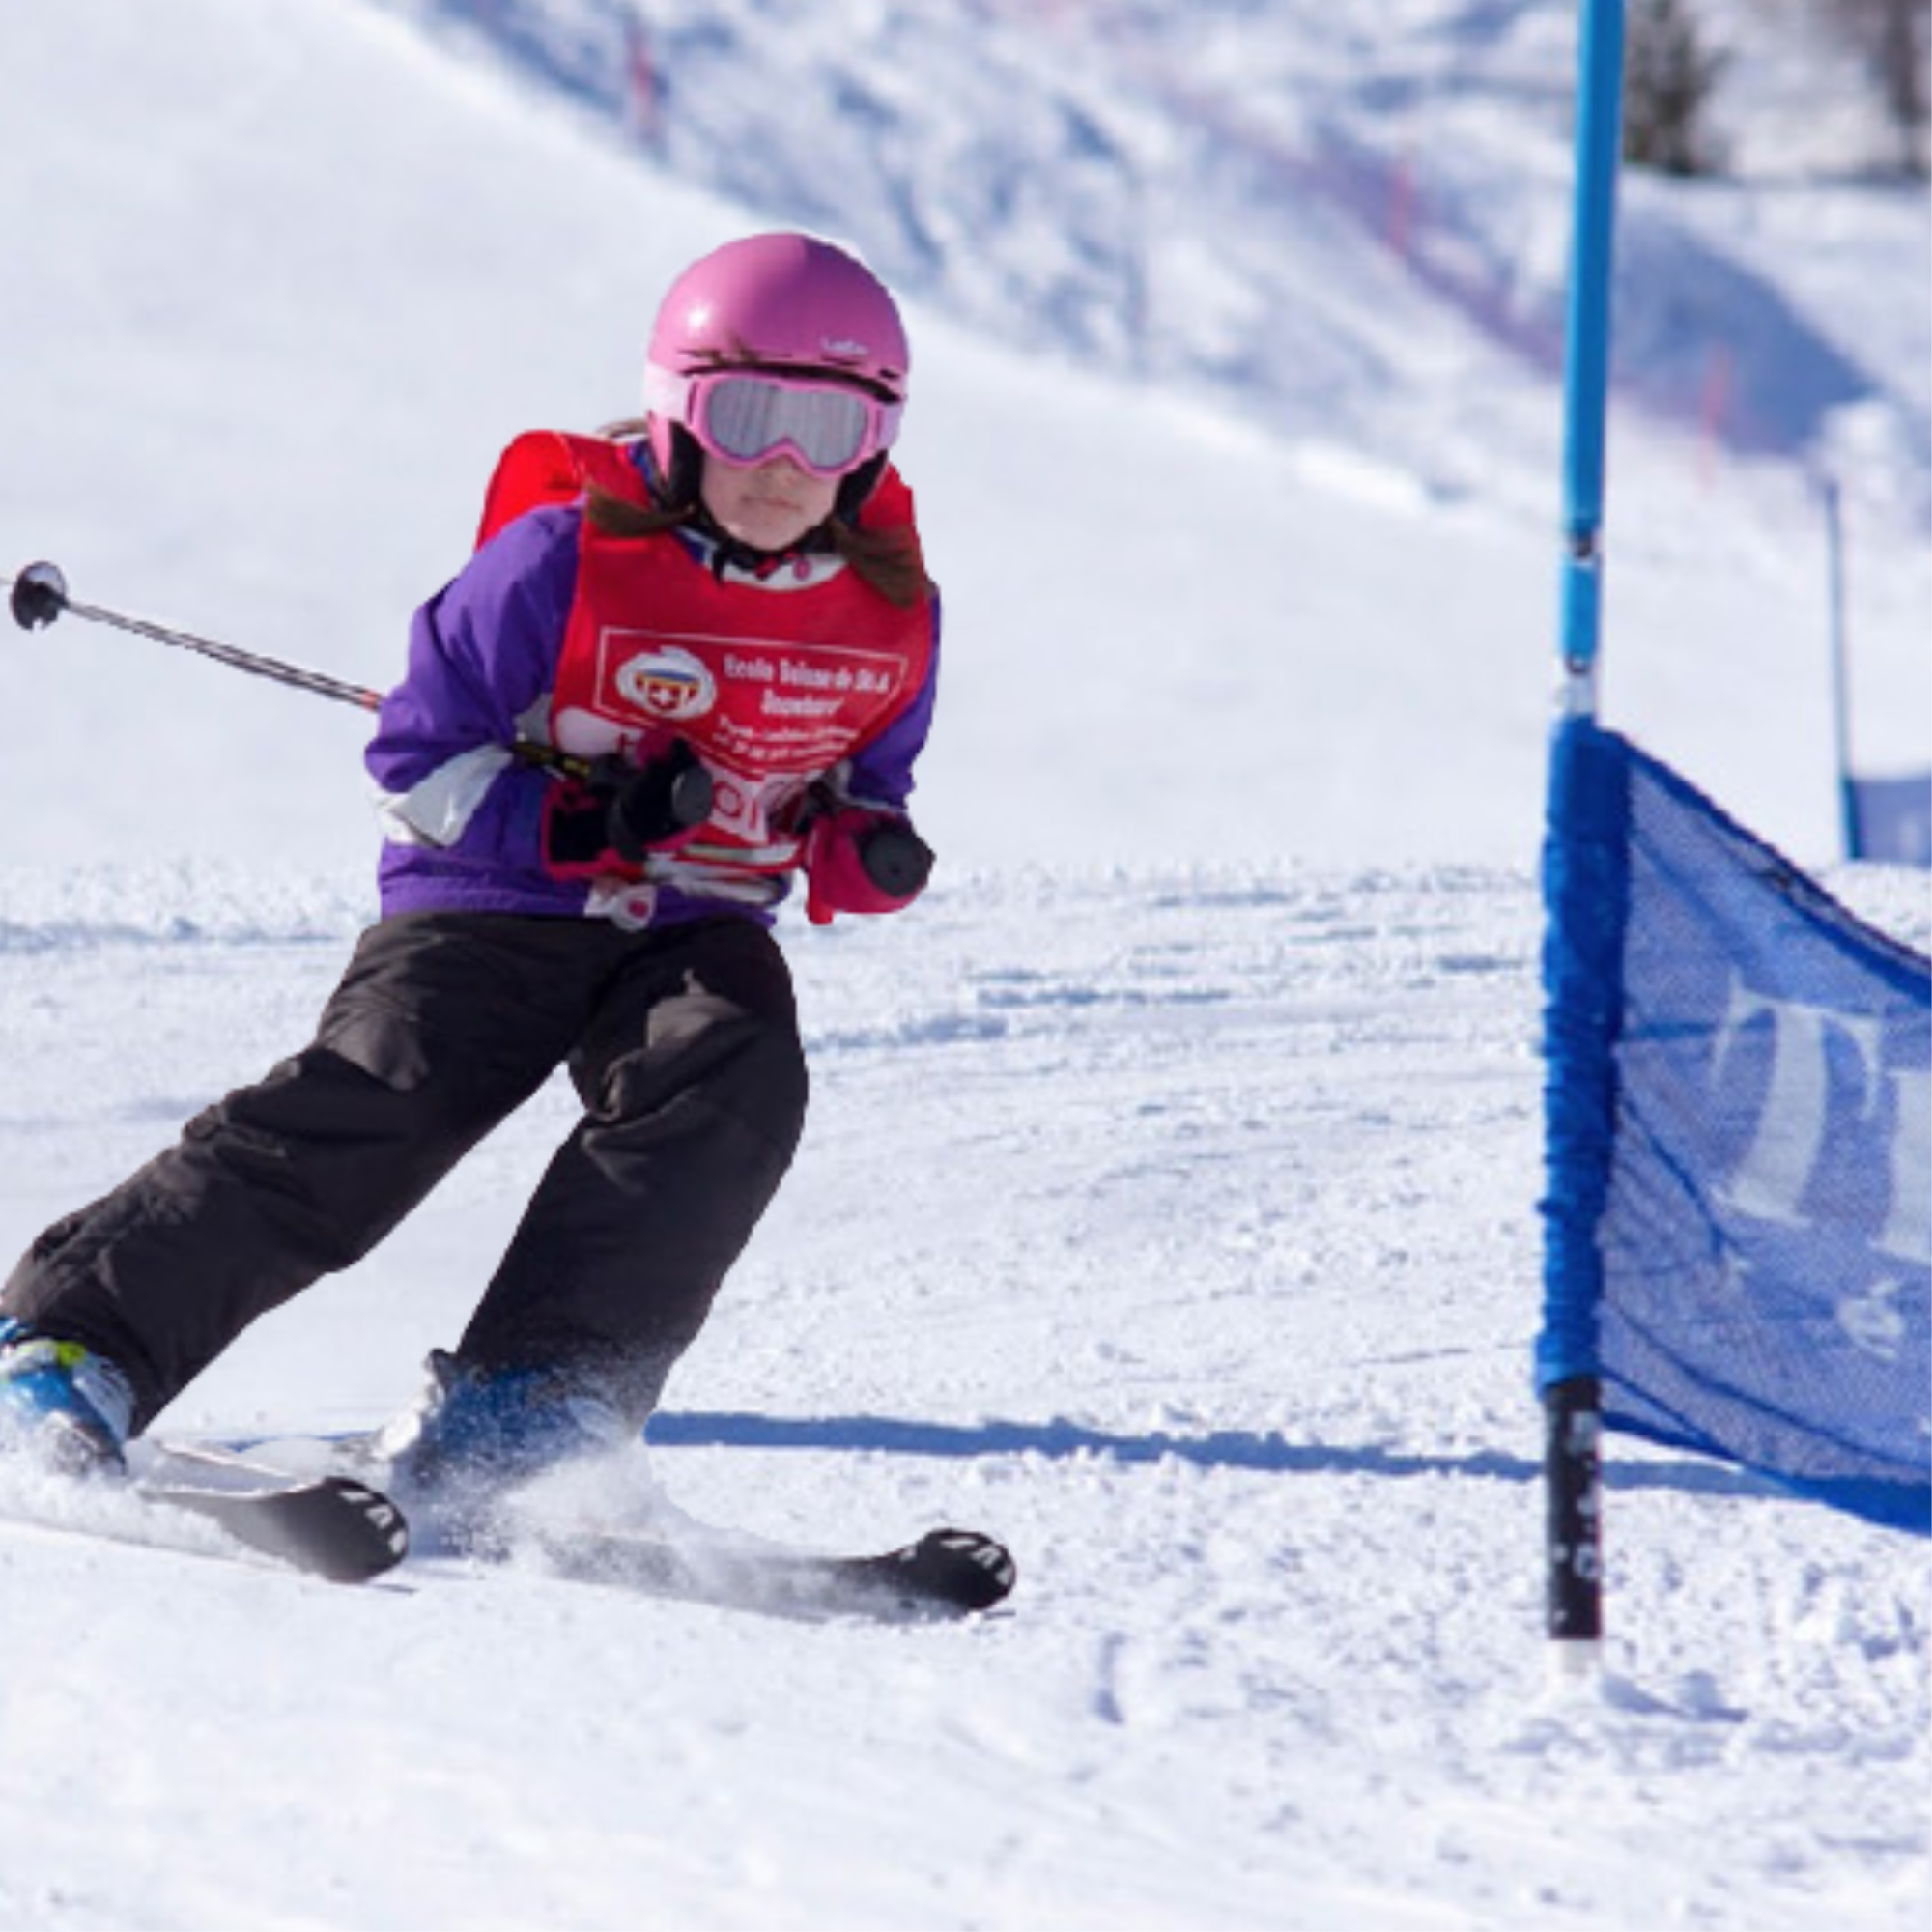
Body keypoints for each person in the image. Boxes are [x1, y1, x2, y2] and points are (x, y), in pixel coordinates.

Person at [0, 231, 940, 1534]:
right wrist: (577, 819)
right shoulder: (560, 559)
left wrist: (862, 846)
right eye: (748, 415)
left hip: (695, 920)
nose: (784, 464)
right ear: (679, 411)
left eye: (827, 427)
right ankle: (64, 1346)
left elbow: (861, 783)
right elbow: (413, 759)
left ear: (877, 441)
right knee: (390, 1097)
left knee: (732, 1075)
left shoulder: (886, 610)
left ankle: (528, 1411)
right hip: (492, 906)